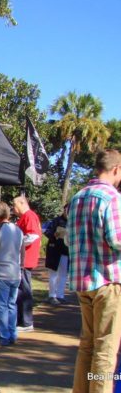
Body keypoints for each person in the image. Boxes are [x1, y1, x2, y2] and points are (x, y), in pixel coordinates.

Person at [66, 149, 121, 393]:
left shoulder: (78, 197)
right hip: (108, 281)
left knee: (87, 346)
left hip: (83, 281)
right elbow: (117, 239)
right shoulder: (111, 197)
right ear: (116, 169)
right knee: (105, 350)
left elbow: (69, 239)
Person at [0, 202, 24, 346]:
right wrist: (20, 268)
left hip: (1, 273)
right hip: (15, 273)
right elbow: (22, 252)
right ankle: (12, 334)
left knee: (0, 306)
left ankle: (3, 336)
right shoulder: (18, 230)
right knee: (11, 305)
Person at [13, 196, 42, 332]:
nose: (13, 209)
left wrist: (15, 243)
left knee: (24, 290)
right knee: (21, 290)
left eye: (15, 205)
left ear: (22, 203)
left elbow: (33, 235)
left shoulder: (29, 216)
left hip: (25, 260)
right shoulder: (26, 216)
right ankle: (22, 320)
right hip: (23, 260)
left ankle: (27, 322)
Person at [44, 204, 69, 305]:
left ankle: (60, 295)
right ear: (64, 210)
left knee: (63, 274)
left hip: (66, 251)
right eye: (67, 210)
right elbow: (47, 232)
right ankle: (52, 295)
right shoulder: (56, 221)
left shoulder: (73, 222)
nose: (68, 212)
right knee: (53, 274)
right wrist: (54, 234)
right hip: (54, 250)